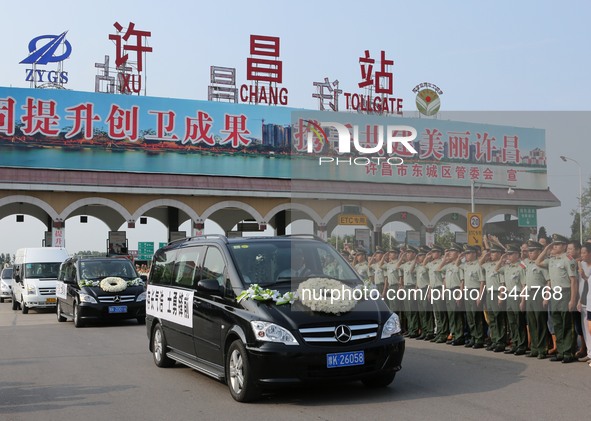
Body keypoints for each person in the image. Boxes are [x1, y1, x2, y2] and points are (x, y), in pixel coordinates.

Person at [535, 234, 578, 363]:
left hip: (565, 293)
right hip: (554, 293)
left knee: (567, 323)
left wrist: (572, 299)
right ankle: (560, 350)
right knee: (557, 323)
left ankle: (569, 352)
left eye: (557, 244)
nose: (554, 247)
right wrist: (546, 248)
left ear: (564, 246)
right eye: (553, 244)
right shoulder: (552, 260)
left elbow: (573, 281)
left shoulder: (568, 259)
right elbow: (538, 262)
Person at [496, 244, 527, 355]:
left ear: (517, 254)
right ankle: (515, 343)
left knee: (519, 321)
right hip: (509, 294)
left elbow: (524, 285)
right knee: (512, 322)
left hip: (517, 295)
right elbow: (497, 269)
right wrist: (501, 259)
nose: (508, 256)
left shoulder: (521, 267)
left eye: (510, 254)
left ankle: (522, 345)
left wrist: (523, 300)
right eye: (508, 254)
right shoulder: (507, 267)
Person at [522, 240, 550, 359]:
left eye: (532, 251)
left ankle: (542, 348)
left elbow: (548, 281)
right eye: (529, 251)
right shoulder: (527, 263)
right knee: (532, 321)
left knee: (540, 321)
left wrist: (546, 297)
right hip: (529, 293)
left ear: (539, 251)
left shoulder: (541, 264)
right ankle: (534, 348)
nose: (530, 253)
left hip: (539, 292)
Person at [480, 242, 507, 352]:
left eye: (494, 252)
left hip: (497, 293)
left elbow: (502, 283)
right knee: (491, 318)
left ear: (500, 254)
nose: (492, 254)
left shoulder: (502, 265)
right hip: (489, 293)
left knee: (498, 318)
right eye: (491, 252)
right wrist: (485, 256)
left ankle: (500, 341)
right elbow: (479, 264)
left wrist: (501, 295)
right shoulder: (488, 265)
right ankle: (494, 339)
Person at [440, 242, 465, 346]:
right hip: (448, 291)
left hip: (456, 290)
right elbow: (439, 269)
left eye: (452, 251)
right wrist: (445, 257)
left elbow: (462, 281)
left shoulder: (461, 266)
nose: (450, 253)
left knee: (456, 314)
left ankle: (459, 336)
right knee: (451, 314)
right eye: (449, 251)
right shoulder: (448, 265)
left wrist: (460, 294)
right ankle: (453, 334)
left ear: (458, 253)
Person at [461, 245, 486, 349]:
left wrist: (480, 296)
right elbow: (457, 264)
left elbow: (482, 282)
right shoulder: (466, 265)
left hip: (475, 291)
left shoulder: (478, 265)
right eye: (465, 253)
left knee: (476, 316)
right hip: (467, 291)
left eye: (468, 253)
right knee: (470, 317)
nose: (466, 255)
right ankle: (473, 337)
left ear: (474, 254)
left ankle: (479, 338)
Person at [424, 245, 448, 343]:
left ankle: (443, 334)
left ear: (439, 253)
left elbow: (444, 279)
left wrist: (442, 291)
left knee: (441, 313)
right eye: (432, 252)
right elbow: (424, 265)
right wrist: (427, 256)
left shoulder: (442, 263)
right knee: (436, 313)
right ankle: (438, 333)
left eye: (435, 252)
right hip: (433, 289)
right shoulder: (431, 264)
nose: (433, 254)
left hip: (439, 288)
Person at [400, 246, 420, 338]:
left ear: (414, 254)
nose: (407, 254)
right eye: (407, 253)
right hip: (406, 287)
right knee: (408, 310)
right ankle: (410, 329)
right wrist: (402, 256)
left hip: (412, 287)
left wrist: (415, 261)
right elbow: (397, 266)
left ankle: (414, 330)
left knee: (412, 309)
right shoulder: (406, 264)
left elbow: (414, 275)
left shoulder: (417, 264)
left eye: (409, 253)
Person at [415, 245, 434, 340]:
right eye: (419, 255)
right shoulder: (419, 266)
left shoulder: (428, 266)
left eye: (422, 255)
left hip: (426, 289)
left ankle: (430, 331)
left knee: (427, 311)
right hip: (419, 289)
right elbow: (417, 278)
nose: (419, 257)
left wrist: (429, 292)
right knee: (422, 312)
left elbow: (431, 279)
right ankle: (424, 330)